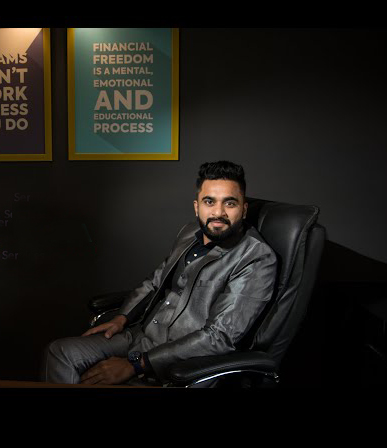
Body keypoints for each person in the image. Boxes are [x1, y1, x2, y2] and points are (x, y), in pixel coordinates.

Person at [42, 160, 277, 386]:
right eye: (209, 201)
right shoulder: (189, 232)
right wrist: (122, 318)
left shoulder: (256, 257)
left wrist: (136, 365)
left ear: (243, 210)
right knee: (61, 352)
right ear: (197, 207)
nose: (218, 212)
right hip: (139, 335)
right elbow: (155, 282)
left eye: (230, 203)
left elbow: (219, 337)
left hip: (177, 358)